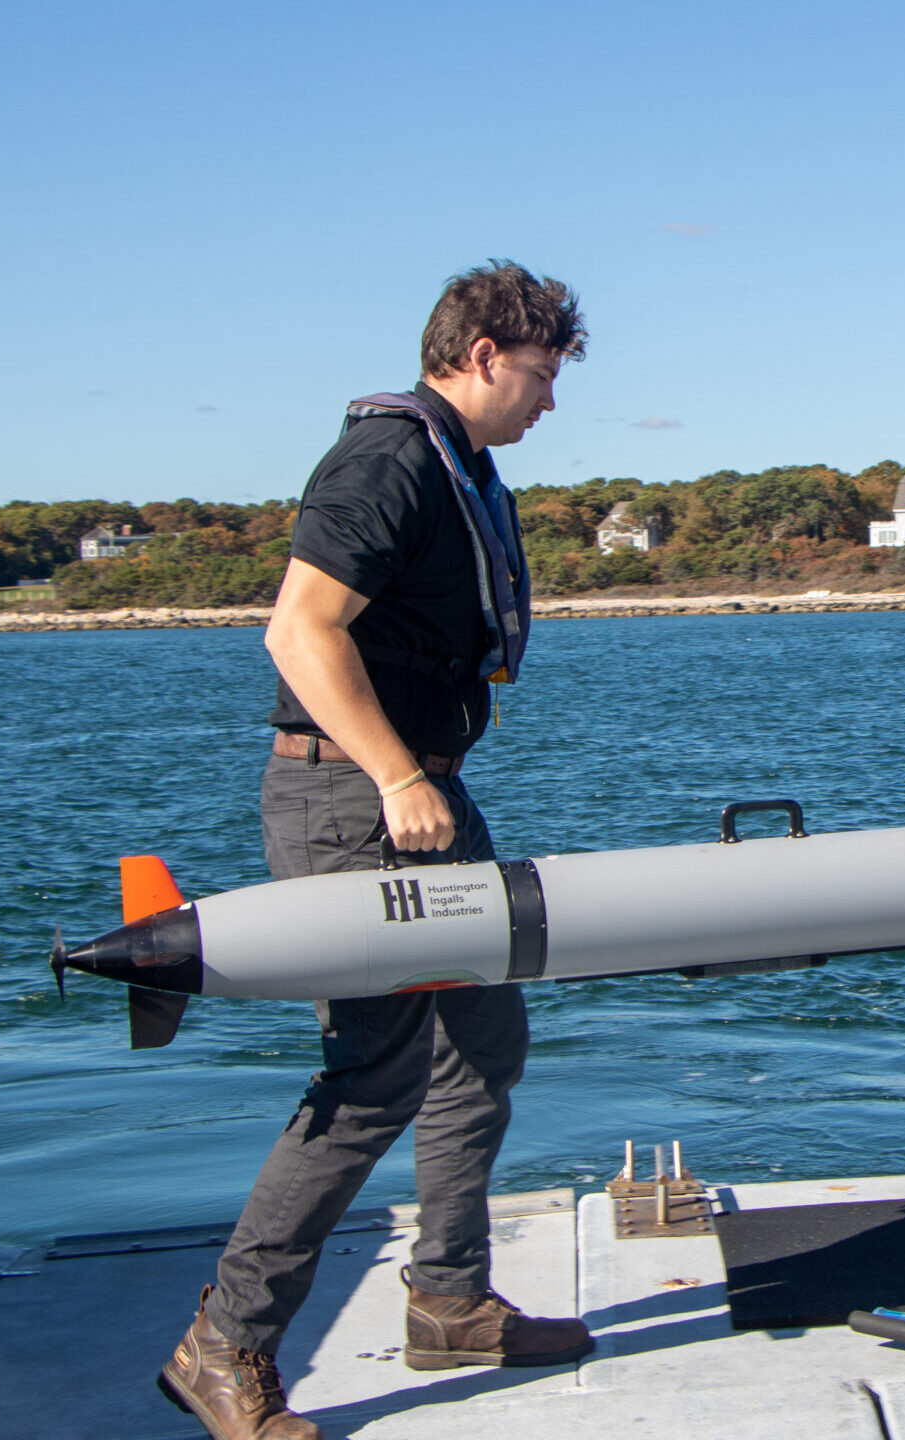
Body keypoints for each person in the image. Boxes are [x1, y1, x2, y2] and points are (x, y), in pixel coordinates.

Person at [158, 263, 594, 1440]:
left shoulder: (463, 464)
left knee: (482, 1036)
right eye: (545, 375)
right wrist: (397, 774)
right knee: (377, 1073)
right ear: (487, 353)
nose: (551, 402)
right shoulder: (391, 459)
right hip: (359, 804)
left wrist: (423, 780)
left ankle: (448, 1298)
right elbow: (299, 629)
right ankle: (225, 1343)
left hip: (425, 797)